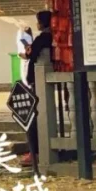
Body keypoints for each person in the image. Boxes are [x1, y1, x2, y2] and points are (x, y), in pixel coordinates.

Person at [23, 10, 54, 168]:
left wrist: (27, 51)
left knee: (34, 116)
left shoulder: (42, 38)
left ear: (41, 23)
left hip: (38, 80)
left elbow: (31, 54)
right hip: (45, 78)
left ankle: (35, 151)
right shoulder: (53, 37)